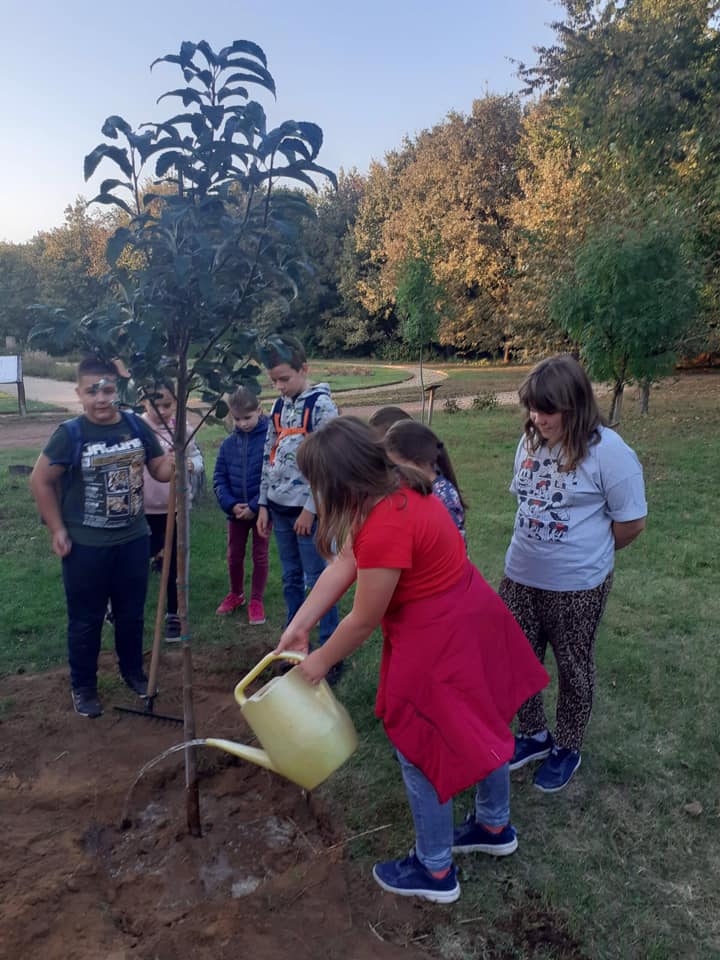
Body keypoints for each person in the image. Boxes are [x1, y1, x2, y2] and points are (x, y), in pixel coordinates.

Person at [274, 417, 549, 903]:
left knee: (419, 744)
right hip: (467, 617)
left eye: (316, 485)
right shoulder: (392, 485)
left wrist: (317, 663)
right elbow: (345, 563)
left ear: (338, 482)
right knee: (481, 719)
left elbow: (362, 619)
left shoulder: (386, 521)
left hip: (440, 636)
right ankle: (492, 825)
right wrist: (301, 622)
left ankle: (435, 870)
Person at [500, 355, 647, 793]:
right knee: (519, 661)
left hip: (577, 587)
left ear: (576, 405)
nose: (538, 418)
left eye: (548, 410)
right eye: (533, 408)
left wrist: (592, 554)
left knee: (573, 667)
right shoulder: (529, 444)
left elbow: (631, 523)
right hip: (520, 577)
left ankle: (567, 745)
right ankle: (533, 734)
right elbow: (525, 501)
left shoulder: (610, 452)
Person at [30, 357, 173, 719]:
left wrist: (179, 462)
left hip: (133, 540)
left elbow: (158, 469)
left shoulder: (135, 426)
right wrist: (58, 529)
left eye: (107, 389)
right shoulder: (71, 434)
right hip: (86, 547)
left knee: (130, 614)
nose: (101, 398)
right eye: (92, 391)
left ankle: (134, 673)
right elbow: (40, 481)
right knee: (86, 619)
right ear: (79, 394)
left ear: (116, 390)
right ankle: (84, 687)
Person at [256, 337, 342, 681]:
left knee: (319, 580)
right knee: (291, 577)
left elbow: (330, 465)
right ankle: (293, 643)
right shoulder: (278, 407)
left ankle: (330, 651)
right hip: (278, 508)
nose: (279, 386)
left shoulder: (322, 407)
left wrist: (311, 508)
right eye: (273, 380)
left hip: (309, 512)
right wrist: (263, 503)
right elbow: (268, 454)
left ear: (304, 370)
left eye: (284, 379)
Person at [141, 385, 204, 641]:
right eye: (156, 405)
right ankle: (117, 603)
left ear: (177, 402)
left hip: (176, 508)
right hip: (143, 508)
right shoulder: (138, 429)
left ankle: (174, 614)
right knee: (138, 558)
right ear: (143, 402)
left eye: (167, 405)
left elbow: (197, 457)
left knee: (174, 561)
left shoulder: (182, 430)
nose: (162, 411)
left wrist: (191, 464)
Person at [213, 387, 269, 625]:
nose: (243, 423)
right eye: (237, 419)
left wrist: (256, 506)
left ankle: (256, 599)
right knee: (234, 555)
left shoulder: (269, 440)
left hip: (261, 512)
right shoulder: (227, 445)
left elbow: (272, 475)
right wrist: (231, 504)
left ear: (259, 411)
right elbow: (219, 477)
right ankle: (236, 594)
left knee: (260, 555)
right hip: (235, 512)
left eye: (248, 418)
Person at [384, 419, 467, 541]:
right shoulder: (419, 489)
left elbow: (452, 542)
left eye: (397, 468)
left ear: (420, 461)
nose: (395, 475)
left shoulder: (442, 496)